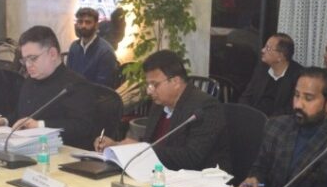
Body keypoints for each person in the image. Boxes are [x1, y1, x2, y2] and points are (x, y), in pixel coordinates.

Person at [95, 49, 230, 172]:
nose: (149, 91)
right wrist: (116, 145)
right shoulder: (159, 105)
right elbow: (152, 144)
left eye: (154, 84)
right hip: (159, 176)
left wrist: (142, 149)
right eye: (148, 85)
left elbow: (192, 157)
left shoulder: (205, 107)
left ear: (176, 82)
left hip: (199, 181)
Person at [0, 25, 102, 148]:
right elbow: (23, 114)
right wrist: (3, 121)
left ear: (52, 54)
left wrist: (39, 125)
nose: (28, 65)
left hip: (62, 151)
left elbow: (83, 127)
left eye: (33, 58)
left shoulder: (75, 85)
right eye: (24, 60)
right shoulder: (30, 80)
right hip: (27, 148)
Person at [239, 33, 303, 116]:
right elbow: (246, 96)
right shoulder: (262, 69)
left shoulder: (299, 76)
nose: (262, 50)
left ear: (280, 56)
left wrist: (268, 119)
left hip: (277, 120)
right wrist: (247, 113)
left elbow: (291, 109)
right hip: (254, 116)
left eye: (268, 48)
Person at [67, 7, 118, 87]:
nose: (83, 26)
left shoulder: (105, 52)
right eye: (80, 22)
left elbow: (103, 87)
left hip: (96, 94)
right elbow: (68, 76)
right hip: (74, 92)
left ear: (96, 25)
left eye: (88, 22)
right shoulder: (74, 47)